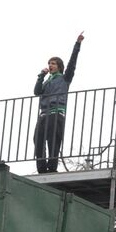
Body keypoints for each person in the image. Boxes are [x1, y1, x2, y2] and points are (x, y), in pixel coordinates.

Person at [33, 32, 84, 173]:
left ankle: (52, 167)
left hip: (57, 113)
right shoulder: (47, 80)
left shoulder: (65, 78)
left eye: (53, 63)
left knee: (53, 142)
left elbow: (72, 63)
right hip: (43, 114)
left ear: (59, 66)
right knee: (37, 140)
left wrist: (77, 44)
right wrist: (40, 77)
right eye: (49, 63)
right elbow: (37, 92)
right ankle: (41, 167)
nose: (50, 65)